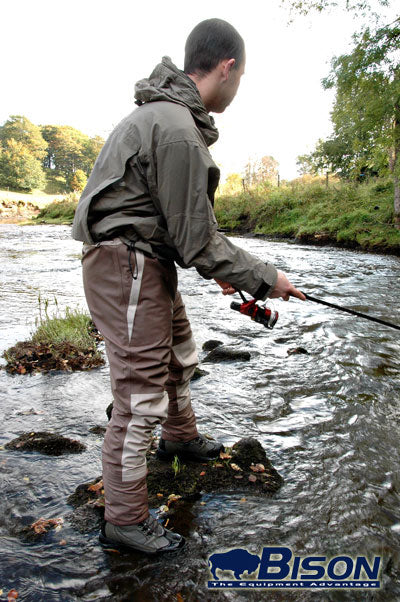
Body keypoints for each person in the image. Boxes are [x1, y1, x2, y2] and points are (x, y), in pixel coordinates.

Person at [72, 18, 305, 554]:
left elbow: (176, 226)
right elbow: (198, 241)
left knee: (180, 353)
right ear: (227, 67)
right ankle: (125, 521)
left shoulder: (167, 116)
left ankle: (179, 437)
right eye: (240, 77)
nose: (238, 87)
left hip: (146, 260)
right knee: (138, 398)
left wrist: (222, 268)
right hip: (128, 265)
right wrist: (267, 279)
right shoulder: (177, 128)